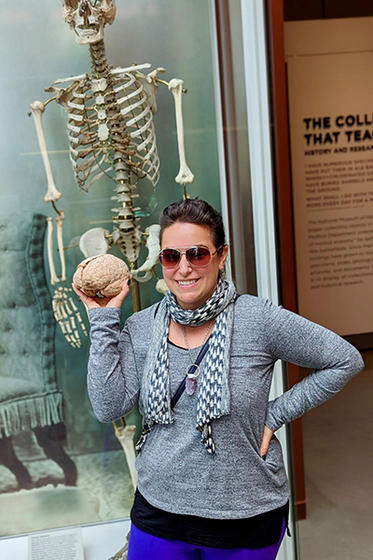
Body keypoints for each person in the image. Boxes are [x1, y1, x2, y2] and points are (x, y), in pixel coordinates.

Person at [73, 198, 364, 560]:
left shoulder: (259, 320)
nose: (183, 269)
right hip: (159, 511)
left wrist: (274, 415)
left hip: (244, 517)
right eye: (170, 256)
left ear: (221, 256)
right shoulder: (141, 327)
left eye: (197, 254)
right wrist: (103, 320)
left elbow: (344, 360)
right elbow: (108, 406)